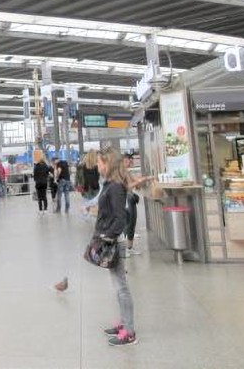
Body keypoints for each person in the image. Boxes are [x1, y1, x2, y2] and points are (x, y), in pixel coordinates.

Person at [95, 147, 137, 346]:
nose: (97, 166)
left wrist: (107, 237)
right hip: (110, 240)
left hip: (114, 242)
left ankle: (129, 332)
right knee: (118, 285)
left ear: (107, 163)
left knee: (121, 287)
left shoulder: (115, 187)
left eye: (99, 162)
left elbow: (121, 219)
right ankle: (123, 323)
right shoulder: (110, 184)